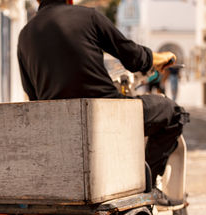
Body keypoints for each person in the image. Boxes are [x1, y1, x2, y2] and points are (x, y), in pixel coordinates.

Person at [17, 0, 189, 198]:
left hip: (59, 126)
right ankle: (146, 184)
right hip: (109, 115)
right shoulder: (88, 17)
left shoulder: (25, 35)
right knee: (173, 112)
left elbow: (32, 94)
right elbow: (133, 57)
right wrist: (158, 58)